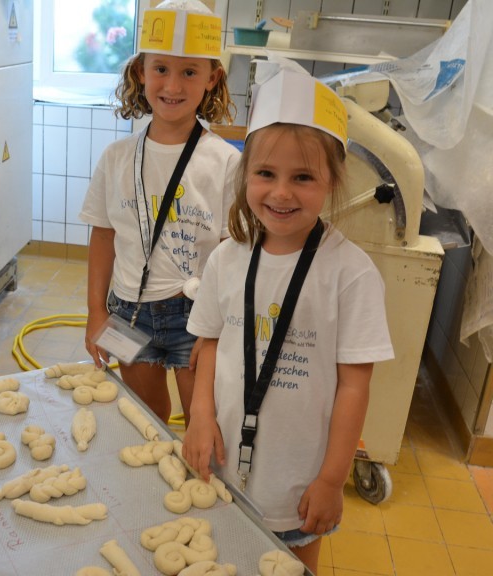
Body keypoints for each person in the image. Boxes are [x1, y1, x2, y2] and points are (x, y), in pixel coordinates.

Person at [182, 63, 395, 573]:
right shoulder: (227, 258)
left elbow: (353, 386)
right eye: (266, 174)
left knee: (293, 564)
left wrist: (331, 479)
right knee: (223, 554)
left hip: (299, 474)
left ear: (333, 181)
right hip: (225, 456)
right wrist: (199, 415)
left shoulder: (350, 274)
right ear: (245, 175)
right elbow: (208, 343)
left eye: (303, 177)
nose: (281, 193)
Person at [79, 0, 240, 426]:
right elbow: (103, 235)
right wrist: (96, 311)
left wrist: (221, 327)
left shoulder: (225, 162)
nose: (173, 84)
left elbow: (231, 253)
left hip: (196, 317)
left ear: (212, 78)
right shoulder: (116, 157)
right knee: (146, 419)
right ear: (140, 73)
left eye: (189, 72)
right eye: (161, 68)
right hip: (129, 310)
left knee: (202, 420)